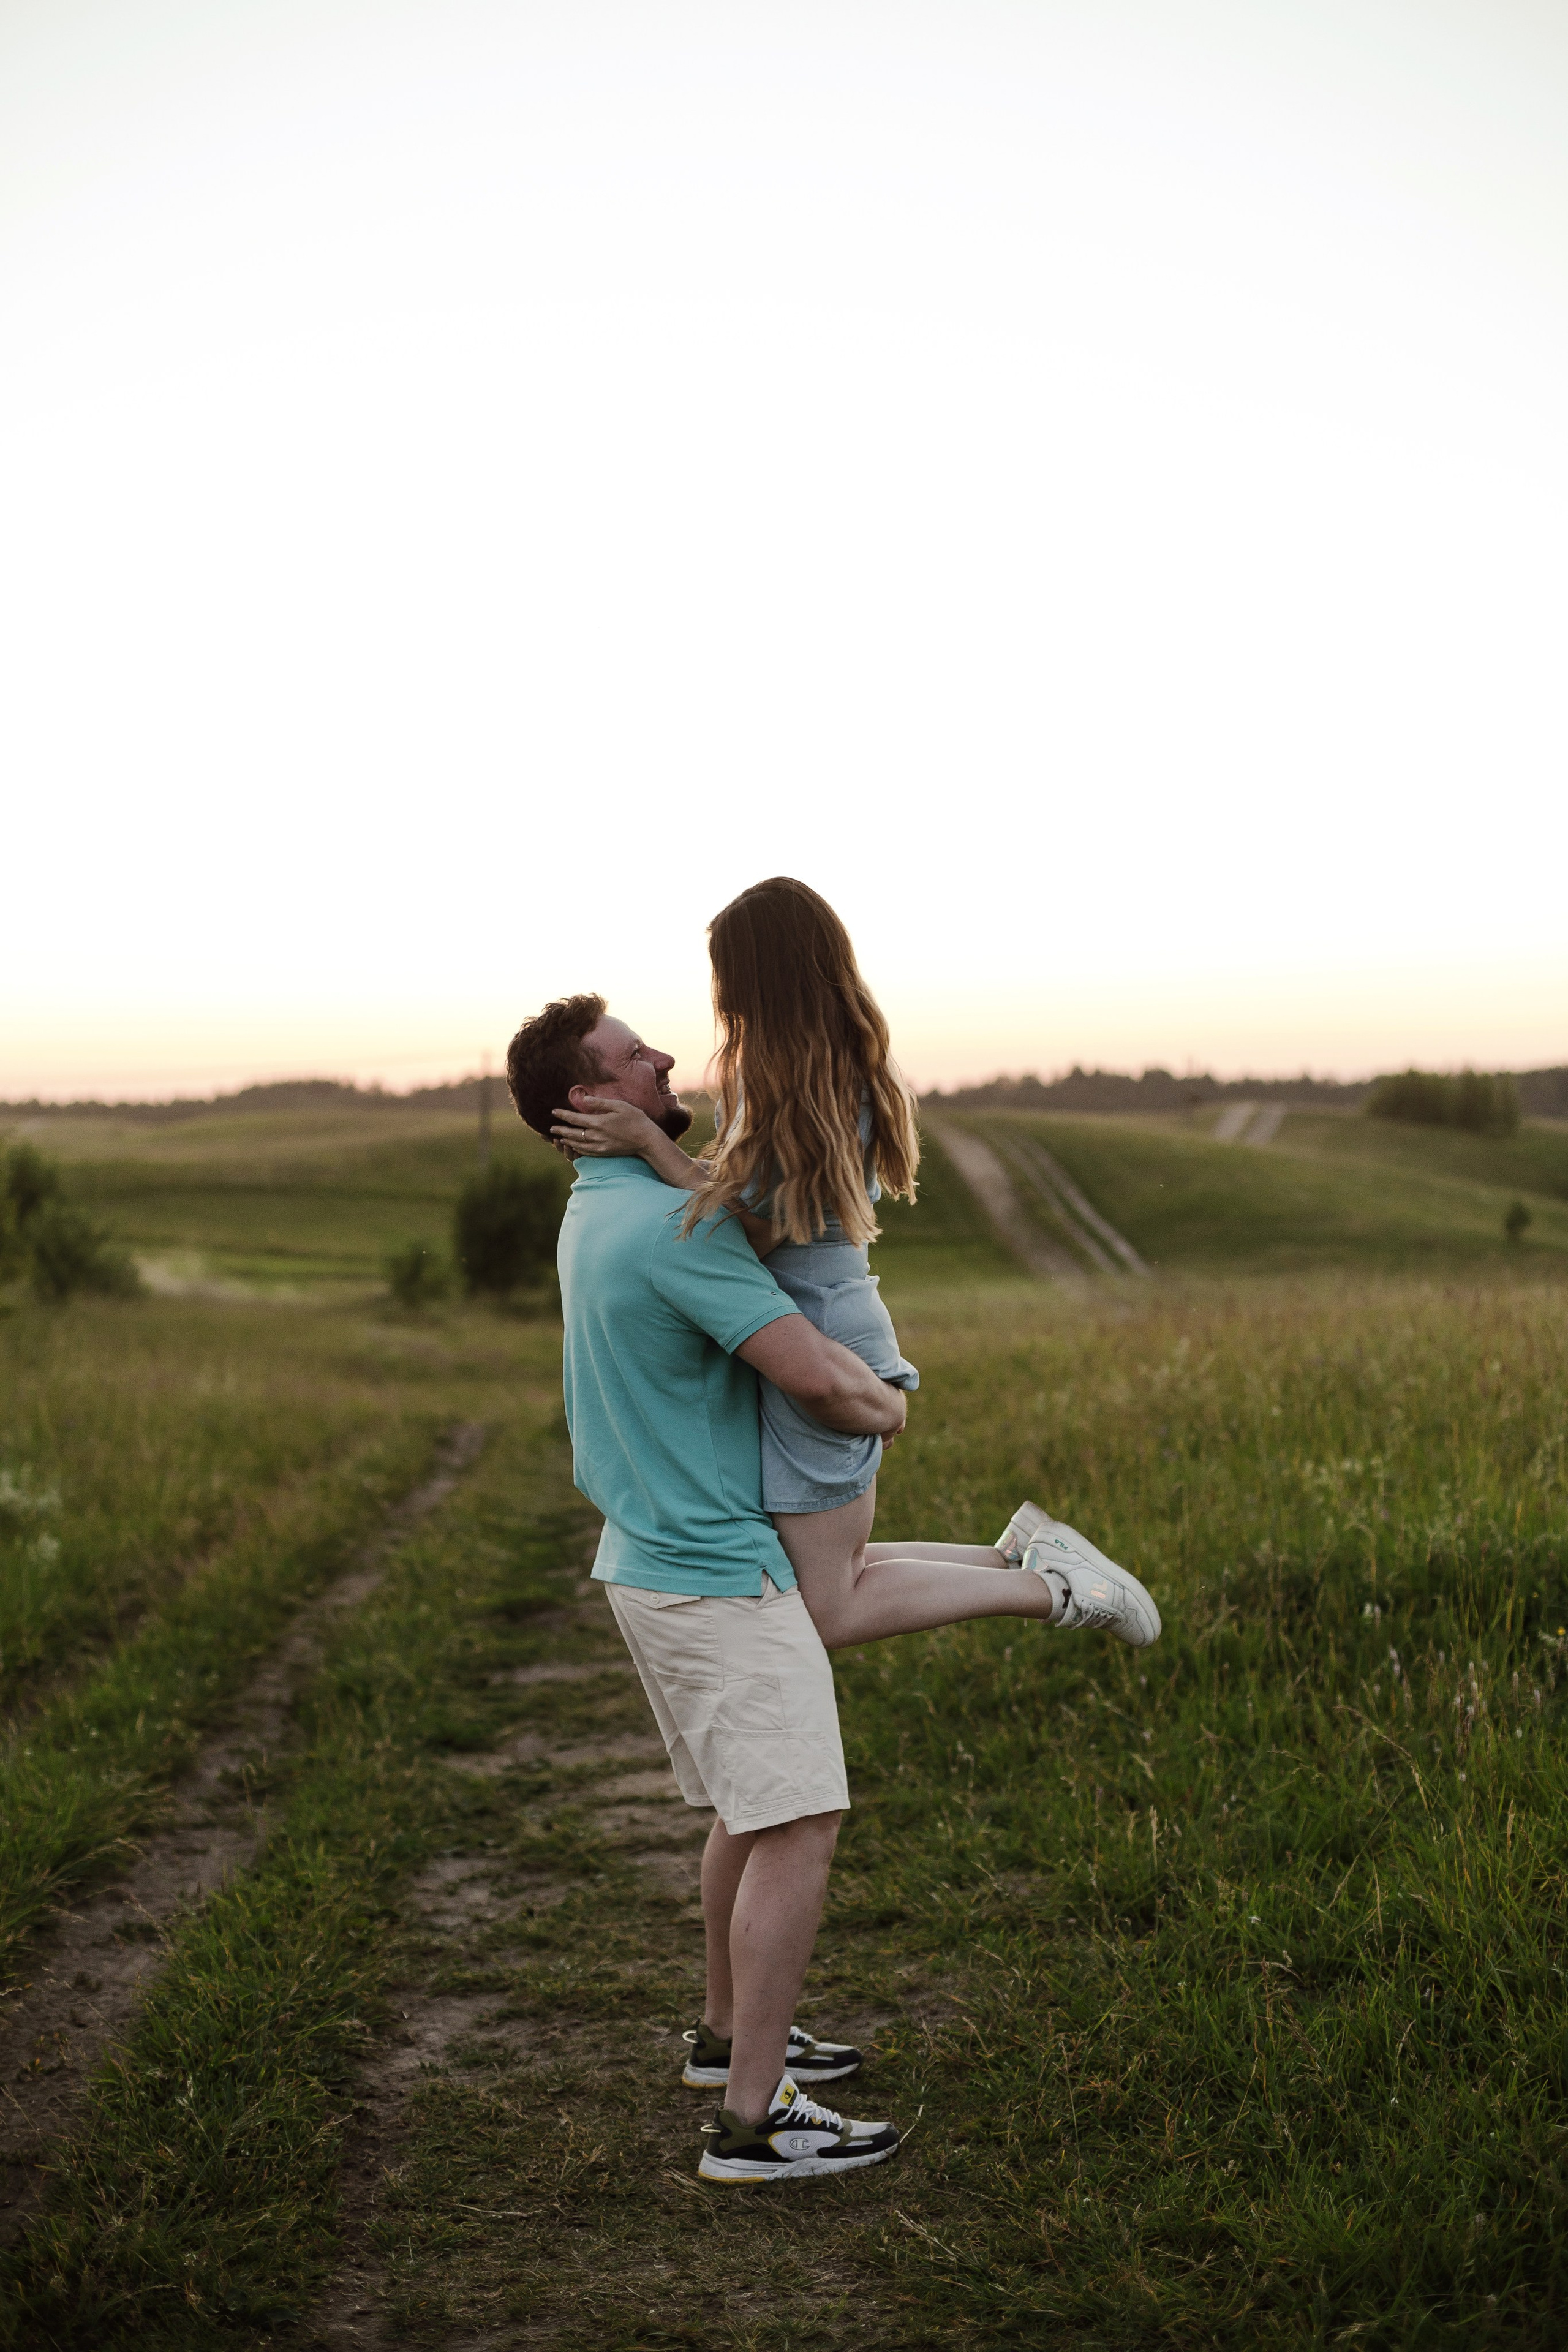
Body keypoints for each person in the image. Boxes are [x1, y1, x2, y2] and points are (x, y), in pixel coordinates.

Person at [551, 876, 1163, 1654]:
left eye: (726, 971)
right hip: (820, 1331)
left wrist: (651, 1146)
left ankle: (1055, 1588)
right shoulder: (821, 1072)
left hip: (821, 1343)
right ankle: (1028, 1558)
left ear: (754, 977)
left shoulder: (793, 1091)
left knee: (828, 1606)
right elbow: (752, 1214)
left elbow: (745, 1237)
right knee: (838, 1572)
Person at [505, 991, 904, 2184]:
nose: (665, 1053)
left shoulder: (602, 1210)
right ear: (589, 1100)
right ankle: (751, 2123)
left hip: (653, 1563)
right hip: (715, 1579)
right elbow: (816, 1379)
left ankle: (730, 2038)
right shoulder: (675, 1231)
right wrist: (885, 1404)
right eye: (634, 1056)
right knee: (799, 1822)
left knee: (750, 1807)